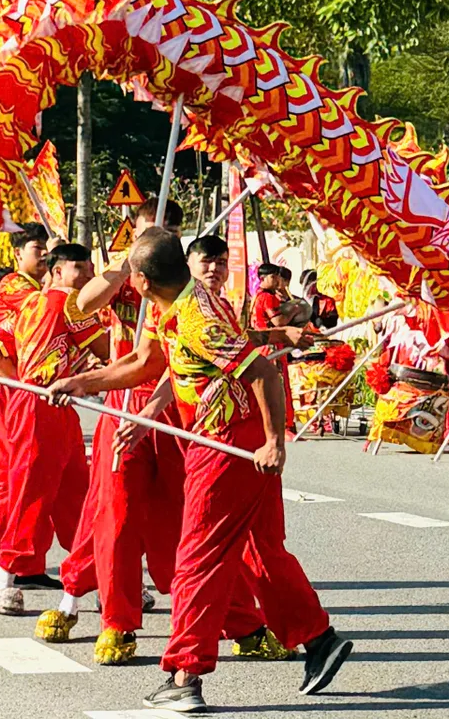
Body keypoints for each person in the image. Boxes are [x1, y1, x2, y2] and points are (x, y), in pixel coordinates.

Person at [55, 231, 349, 712]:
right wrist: (79, 383)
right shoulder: (174, 307)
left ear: (143, 280)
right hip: (225, 437)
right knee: (261, 551)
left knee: (195, 559)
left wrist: (275, 442)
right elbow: (144, 363)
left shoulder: (198, 317)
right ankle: (319, 639)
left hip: (232, 441)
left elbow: (263, 373)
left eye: (130, 271)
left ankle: (185, 675)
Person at [35, 200, 185, 664]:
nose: (161, 232)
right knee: (113, 515)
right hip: (124, 407)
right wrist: (126, 266)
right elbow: (84, 302)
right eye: (150, 227)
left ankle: (220, 613)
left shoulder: (188, 286)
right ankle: (115, 619)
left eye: (169, 228)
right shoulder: (127, 281)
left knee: (186, 517)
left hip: (176, 411)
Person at [0, 242, 109, 615]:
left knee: (79, 495)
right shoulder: (73, 304)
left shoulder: (28, 303)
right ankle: (5, 581)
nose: (88, 275)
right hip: (40, 408)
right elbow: (110, 353)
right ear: (57, 272)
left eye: (90, 268)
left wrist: (20, 381)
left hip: (54, 406)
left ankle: (101, 576)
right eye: (79, 268)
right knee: (31, 492)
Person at [0, 223, 52, 589]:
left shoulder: (44, 290)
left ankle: (29, 562)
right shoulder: (16, 287)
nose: (45, 255)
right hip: (6, 385)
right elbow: (42, 310)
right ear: (18, 254)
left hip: (31, 388)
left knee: (43, 478)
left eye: (49, 250)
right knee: (9, 476)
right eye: (38, 249)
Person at [250, 263, 296, 432]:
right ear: (263, 278)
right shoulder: (268, 297)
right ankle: (284, 426)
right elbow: (278, 322)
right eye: (273, 276)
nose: (277, 280)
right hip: (272, 346)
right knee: (278, 385)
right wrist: (293, 311)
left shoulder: (256, 296)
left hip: (260, 346)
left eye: (278, 276)